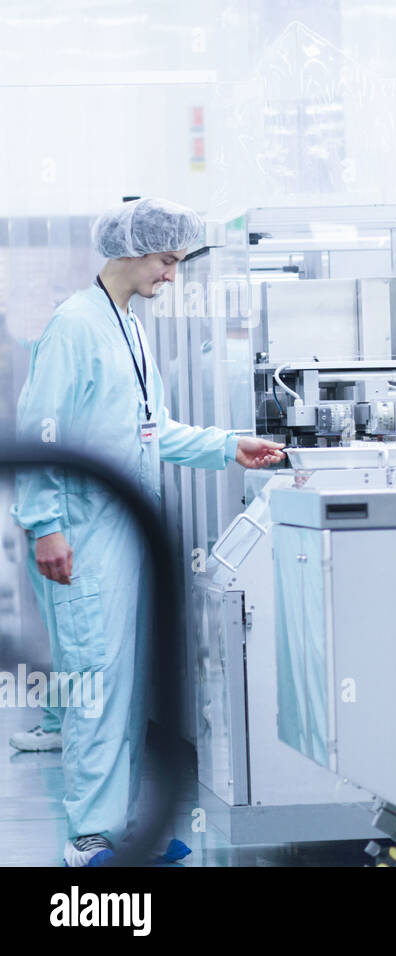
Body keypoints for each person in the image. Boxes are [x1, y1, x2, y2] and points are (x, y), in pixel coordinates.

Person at [9, 198, 285, 867]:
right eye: (167, 259)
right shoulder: (74, 326)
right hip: (81, 534)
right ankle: (89, 841)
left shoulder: (127, 327)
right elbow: (40, 429)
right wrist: (45, 524)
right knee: (95, 688)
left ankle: (127, 830)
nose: (172, 273)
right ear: (132, 250)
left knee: (126, 690)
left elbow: (151, 429)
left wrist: (227, 446)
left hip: (121, 538)